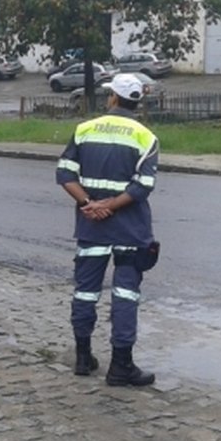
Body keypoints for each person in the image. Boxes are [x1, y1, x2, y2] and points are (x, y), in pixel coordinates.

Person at [55, 73, 158, 387]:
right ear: (137, 102)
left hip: (91, 227)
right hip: (130, 230)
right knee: (125, 294)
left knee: (85, 292)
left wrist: (90, 204)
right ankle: (121, 366)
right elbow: (143, 187)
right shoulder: (146, 137)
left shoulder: (84, 130)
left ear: (113, 97)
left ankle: (83, 358)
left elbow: (64, 173)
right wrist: (111, 206)